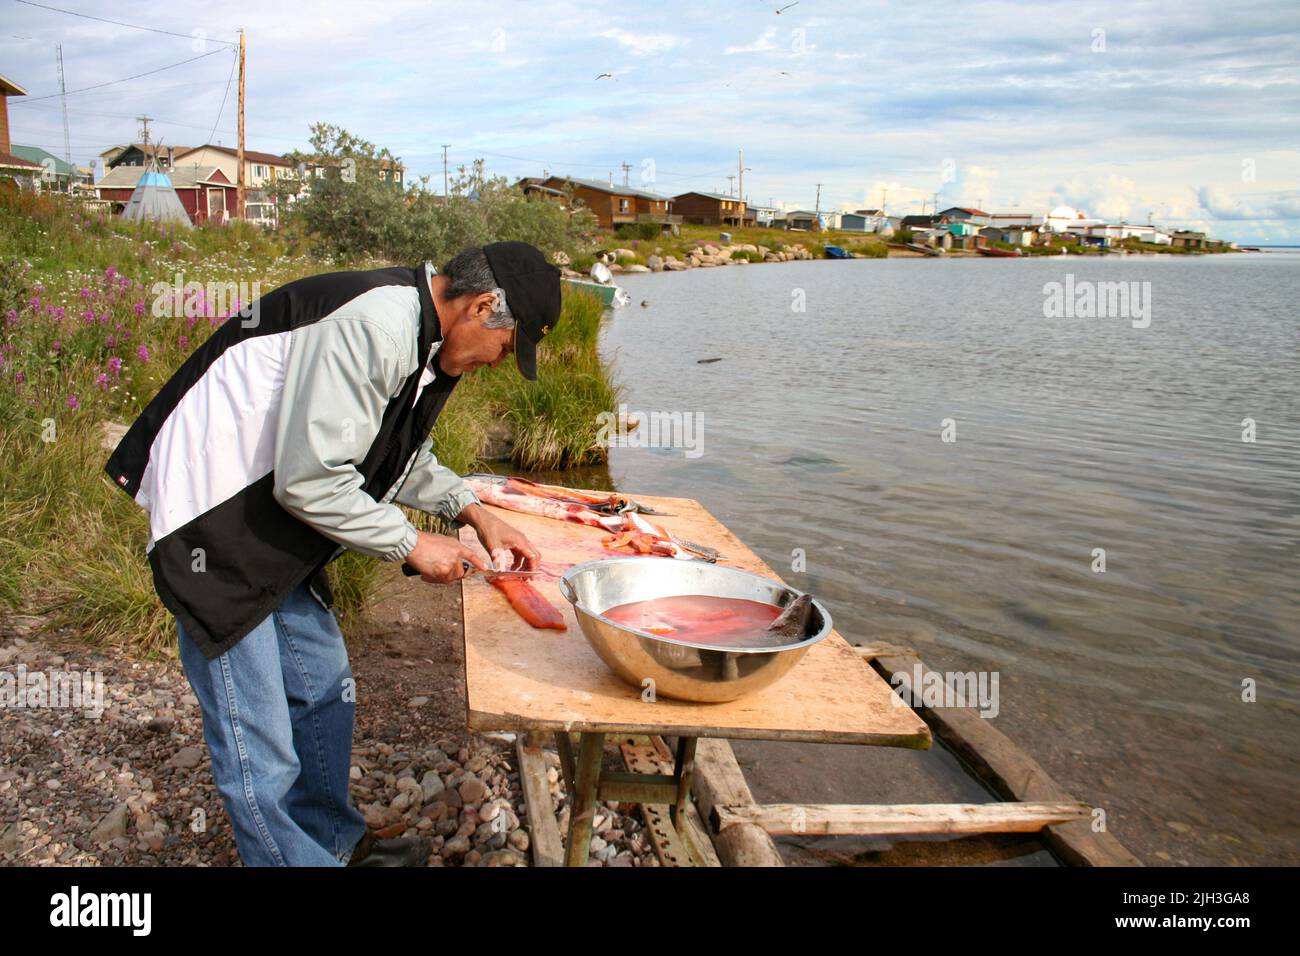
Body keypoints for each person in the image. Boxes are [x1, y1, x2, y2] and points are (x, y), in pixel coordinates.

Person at [105, 241, 561, 866]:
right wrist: (410, 544)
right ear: (481, 307)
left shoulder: (420, 335)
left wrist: (471, 510)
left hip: (273, 516)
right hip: (214, 520)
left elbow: (387, 451)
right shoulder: (376, 325)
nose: (497, 362)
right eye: (506, 349)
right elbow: (310, 481)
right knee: (259, 746)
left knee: (324, 688)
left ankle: (333, 841)